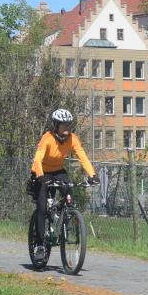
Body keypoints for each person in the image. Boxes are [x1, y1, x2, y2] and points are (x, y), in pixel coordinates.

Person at [29, 108, 99, 259]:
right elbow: (37, 160)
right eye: (63, 124)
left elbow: (83, 157)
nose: (67, 127)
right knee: (41, 208)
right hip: (41, 172)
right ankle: (40, 245)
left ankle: (65, 215)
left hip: (58, 171)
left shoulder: (72, 139)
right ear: (56, 125)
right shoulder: (47, 138)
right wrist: (41, 176)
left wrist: (92, 175)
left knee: (68, 190)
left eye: (69, 124)